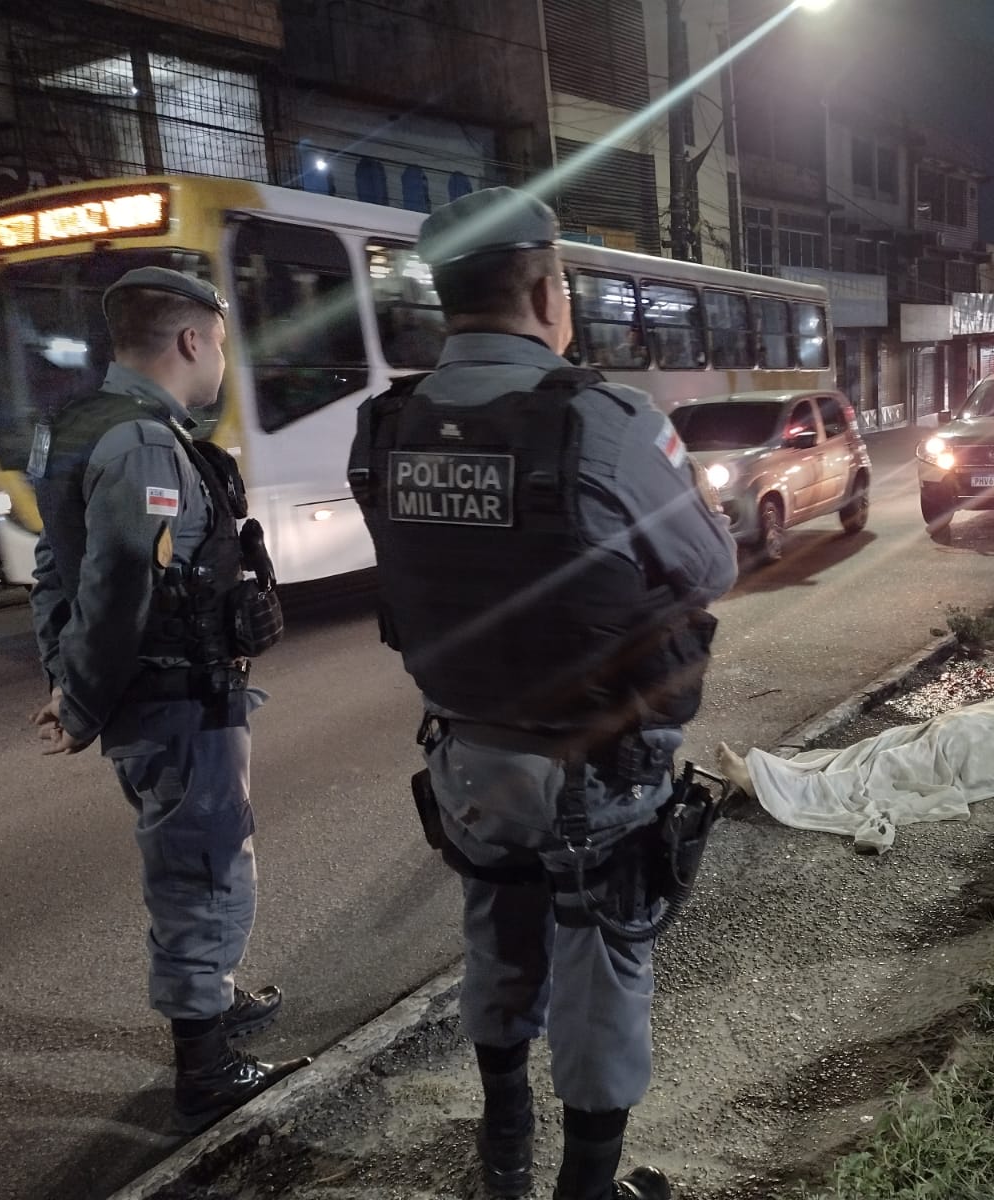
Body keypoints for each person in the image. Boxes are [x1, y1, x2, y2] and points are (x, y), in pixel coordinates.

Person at [349, 187, 737, 1200]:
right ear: (545, 290)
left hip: (467, 758)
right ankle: (586, 1188)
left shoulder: (386, 426)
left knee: (497, 938)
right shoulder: (606, 422)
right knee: (601, 965)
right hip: (595, 762)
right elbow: (711, 567)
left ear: (446, 297)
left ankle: (505, 1158)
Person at [25, 267, 307, 1131]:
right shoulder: (144, 445)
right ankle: (206, 1070)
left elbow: (53, 568)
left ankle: (213, 1000)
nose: (221, 357)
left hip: (160, 698)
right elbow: (116, 591)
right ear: (190, 340)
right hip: (176, 698)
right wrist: (79, 700)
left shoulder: (80, 426)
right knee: (205, 867)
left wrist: (64, 675)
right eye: (218, 341)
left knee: (197, 856)